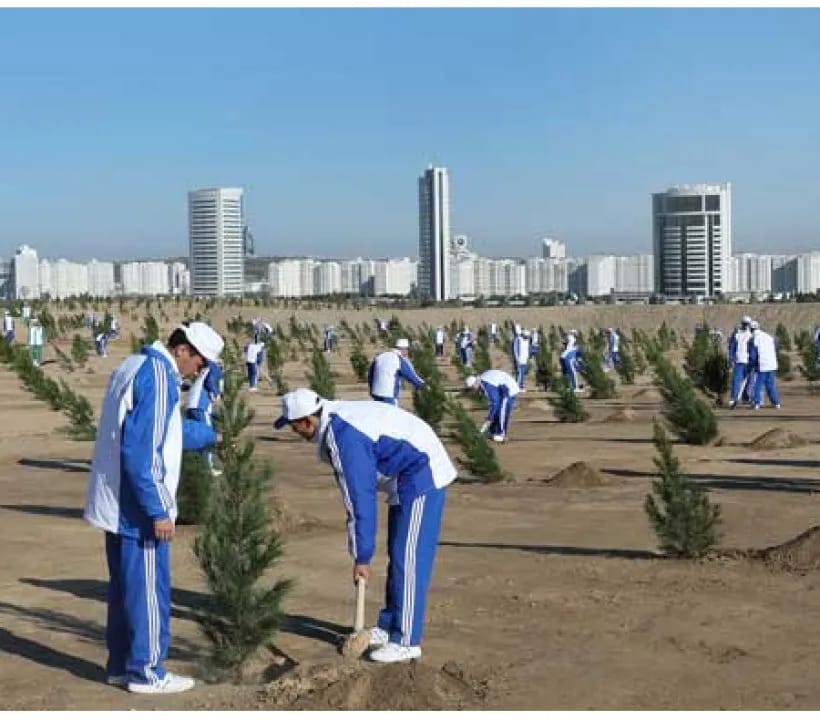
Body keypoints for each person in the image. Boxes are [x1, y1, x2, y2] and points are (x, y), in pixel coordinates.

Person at [83, 321, 224, 694]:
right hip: (137, 508)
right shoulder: (160, 377)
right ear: (183, 350)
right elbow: (142, 452)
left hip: (116, 501)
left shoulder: (134, 365)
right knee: (149, 590)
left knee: (124, 590)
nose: (199, 372)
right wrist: (159, 509)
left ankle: (120, 665)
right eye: (200, 363)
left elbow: (168, 432)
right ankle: (147, 672)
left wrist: (211, 435)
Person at [273, 388, 457, 663]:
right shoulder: (335, 422)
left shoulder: (345, 438)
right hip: (403, 474)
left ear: (308, 421)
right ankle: (389, 625)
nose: (293, 431)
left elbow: (360, 500)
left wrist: (362, 557)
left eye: (293, 426)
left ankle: (406, 641)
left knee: (408, 559)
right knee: (398, 554)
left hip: (422, 473)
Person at [185, 359, 224, 474]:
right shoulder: (215, 368)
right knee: (207, 436)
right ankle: (208, 469)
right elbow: (210, 381)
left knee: (194, 437)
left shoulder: (205, 369)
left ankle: (195, 466)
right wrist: (214, 394)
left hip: (191, 405)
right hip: (201, 405)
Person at [464, 369, 519, 443]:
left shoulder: (487, 385)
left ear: (475, 384)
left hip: (510, 389)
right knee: (497, 410)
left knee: (502, 410)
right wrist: (490, 417)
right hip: (503, 388)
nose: (473, 391)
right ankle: (492, 431)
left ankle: (500, 434)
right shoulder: (483, 382)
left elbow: (495, 403)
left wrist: (489, 418)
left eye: (472, 388)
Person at [368, 338, 425, 404]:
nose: (407, 352)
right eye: (407, 350)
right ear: (404, 349)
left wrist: (372, 389)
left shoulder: (380, 357)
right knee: (390, 410)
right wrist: (423, 385)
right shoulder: (399, 359)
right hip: (389, 394)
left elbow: (370, 375)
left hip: (376, 392)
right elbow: (411, 376)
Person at [749, 320, 781, 410]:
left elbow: (753, 355)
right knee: (771, 385)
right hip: (772, 364)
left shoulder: (754, 339)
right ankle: (776, 403)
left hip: (762, 365)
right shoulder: (768, 336)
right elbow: (775, 347)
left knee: (758, 385)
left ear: (751, 329)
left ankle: (756, 403)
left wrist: (751, 365)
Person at [728, 316, 753, 409]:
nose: (745, 325)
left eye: (747, 324)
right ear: (742, 323)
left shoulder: (752, 334)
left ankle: (746, 398)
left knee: (749, 381)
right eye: (744, 324)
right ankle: (733, 398)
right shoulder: (736, 334)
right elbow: (731, 347)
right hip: (739, 361)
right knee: (736, 380)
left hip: (749, 361)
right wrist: (731, 359)